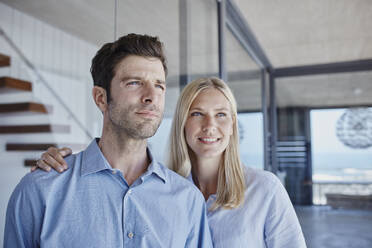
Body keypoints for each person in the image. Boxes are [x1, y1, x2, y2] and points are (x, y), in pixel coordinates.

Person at [34, 77, 307, 247]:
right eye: (197, 113)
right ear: (182, 124)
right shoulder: (163, 189)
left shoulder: (265, 190)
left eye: (221, 115)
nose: (210, 126)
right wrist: (68, 163)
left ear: (233, 125)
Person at [4, 34, 213, 248]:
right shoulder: (41, 190)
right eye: (134, 83)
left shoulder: (188, 200)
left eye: (159, 85)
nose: (151, 96)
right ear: (101, 98)